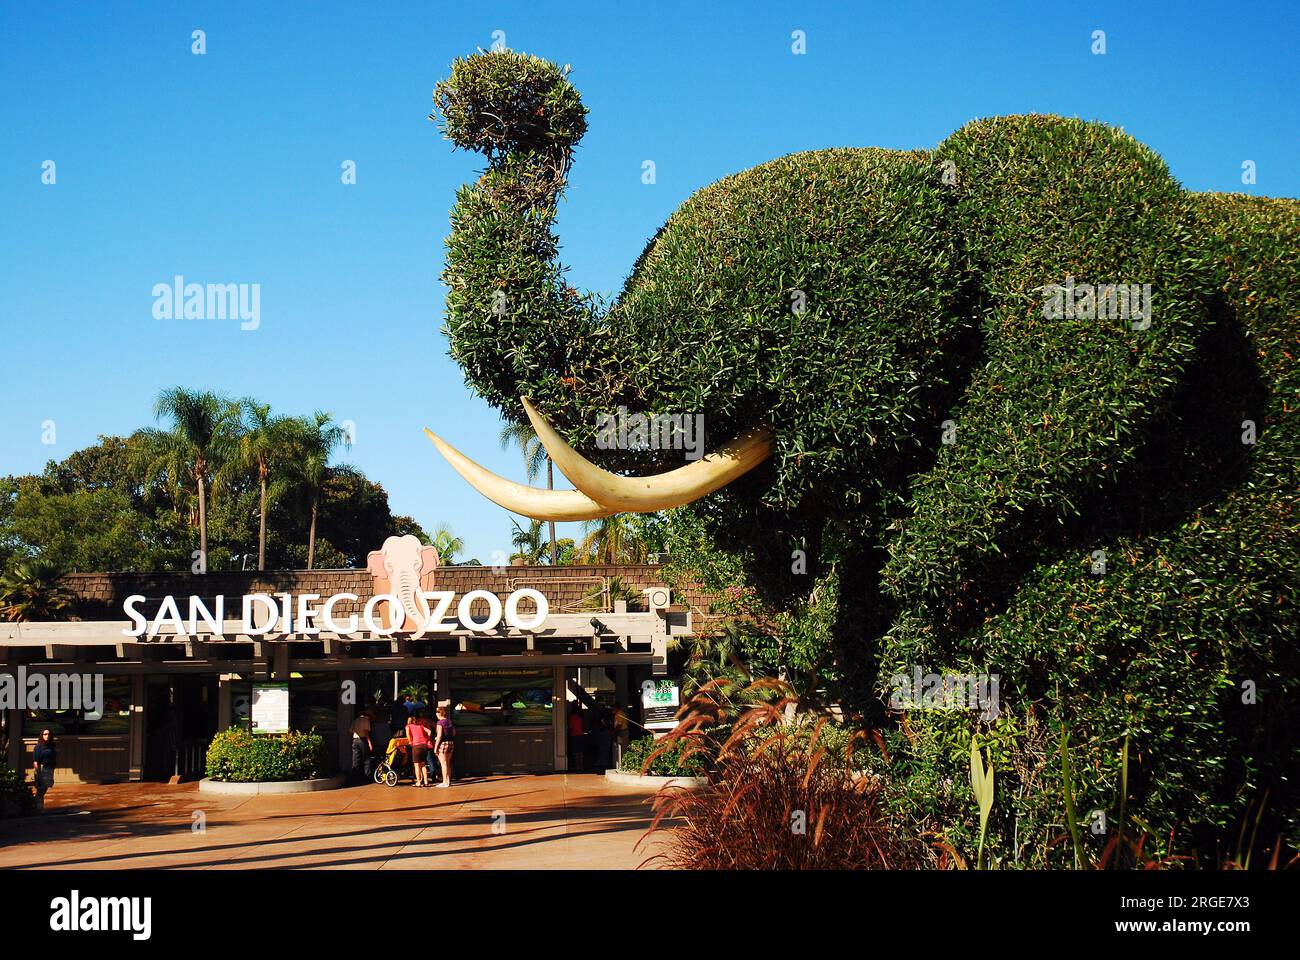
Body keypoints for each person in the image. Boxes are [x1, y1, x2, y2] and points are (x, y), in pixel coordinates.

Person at [32, 729, 57, 812]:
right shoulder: (38, 747)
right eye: (45, 734)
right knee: (41, 790)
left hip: (49, 769)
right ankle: (37, 807)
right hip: (41, 769)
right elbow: (35, 762)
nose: (47, 736)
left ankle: (40, 807)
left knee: (44, 789)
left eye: (49, 734)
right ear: (42, 735)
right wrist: (38, 773)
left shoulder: (51, 746)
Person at [407, 709, 433, 787]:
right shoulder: (420, 726)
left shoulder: (408, 726)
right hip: (424, 746)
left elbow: (408, 734)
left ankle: (418, 782)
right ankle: (426, 782)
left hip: (416, 746)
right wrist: (427, 739)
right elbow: (429, 732)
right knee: (423, 764)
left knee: (416, 765)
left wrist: (410, 741)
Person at [433, 705, 455, 788]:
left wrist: (435, 747)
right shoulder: (449, 721)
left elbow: (439, 736)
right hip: (451, 743)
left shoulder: (439, 723)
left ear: (439, 713)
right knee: (448, 763)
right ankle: (448, 781)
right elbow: (454, 733)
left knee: (443, 763)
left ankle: (444, 782)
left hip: (443, 744)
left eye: (436, 712)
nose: (436, 713)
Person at [350, 708, 373, 786]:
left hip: (355, 740)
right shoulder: (366, 721)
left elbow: (350, 731)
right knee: (366, 759)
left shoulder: (355, 720)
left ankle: (355, 777)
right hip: (362, 740)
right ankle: (367, 777)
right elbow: (366, 732)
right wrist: (369, 743)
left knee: (356, 759)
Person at [567, 705, 586, 772]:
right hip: (581, 734)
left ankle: (577, 766)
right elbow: (583, 726)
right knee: (580, 751)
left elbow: (570, 727)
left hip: (574, 735)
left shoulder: (572, 717)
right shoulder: (580, 717)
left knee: (575, 751)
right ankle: (581, 765)